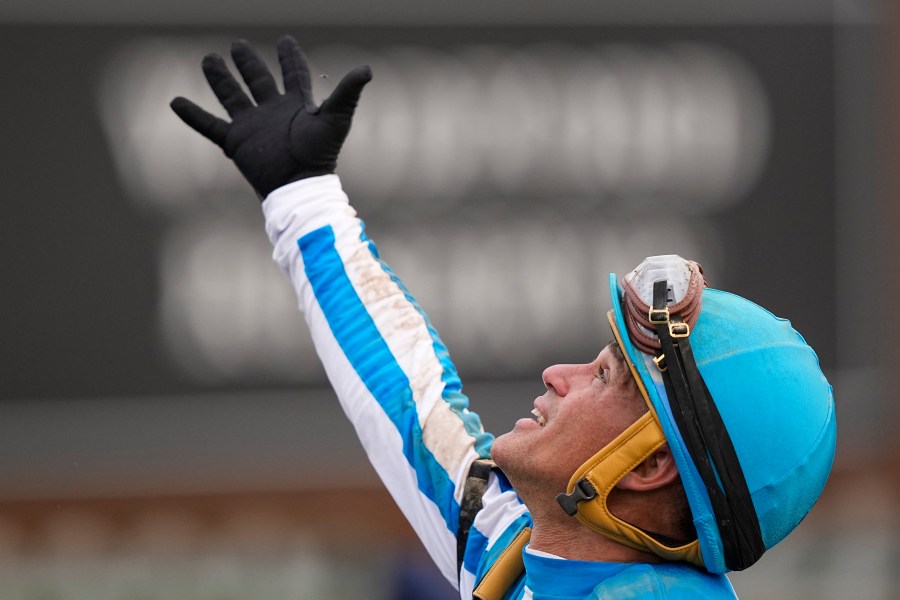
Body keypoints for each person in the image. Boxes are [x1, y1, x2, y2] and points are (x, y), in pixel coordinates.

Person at [171, 36, 837, 599]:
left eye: (604, 378)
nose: (557, 374)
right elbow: (411, 401)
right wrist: (303, 199)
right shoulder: (533, 551)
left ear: (646, 468)